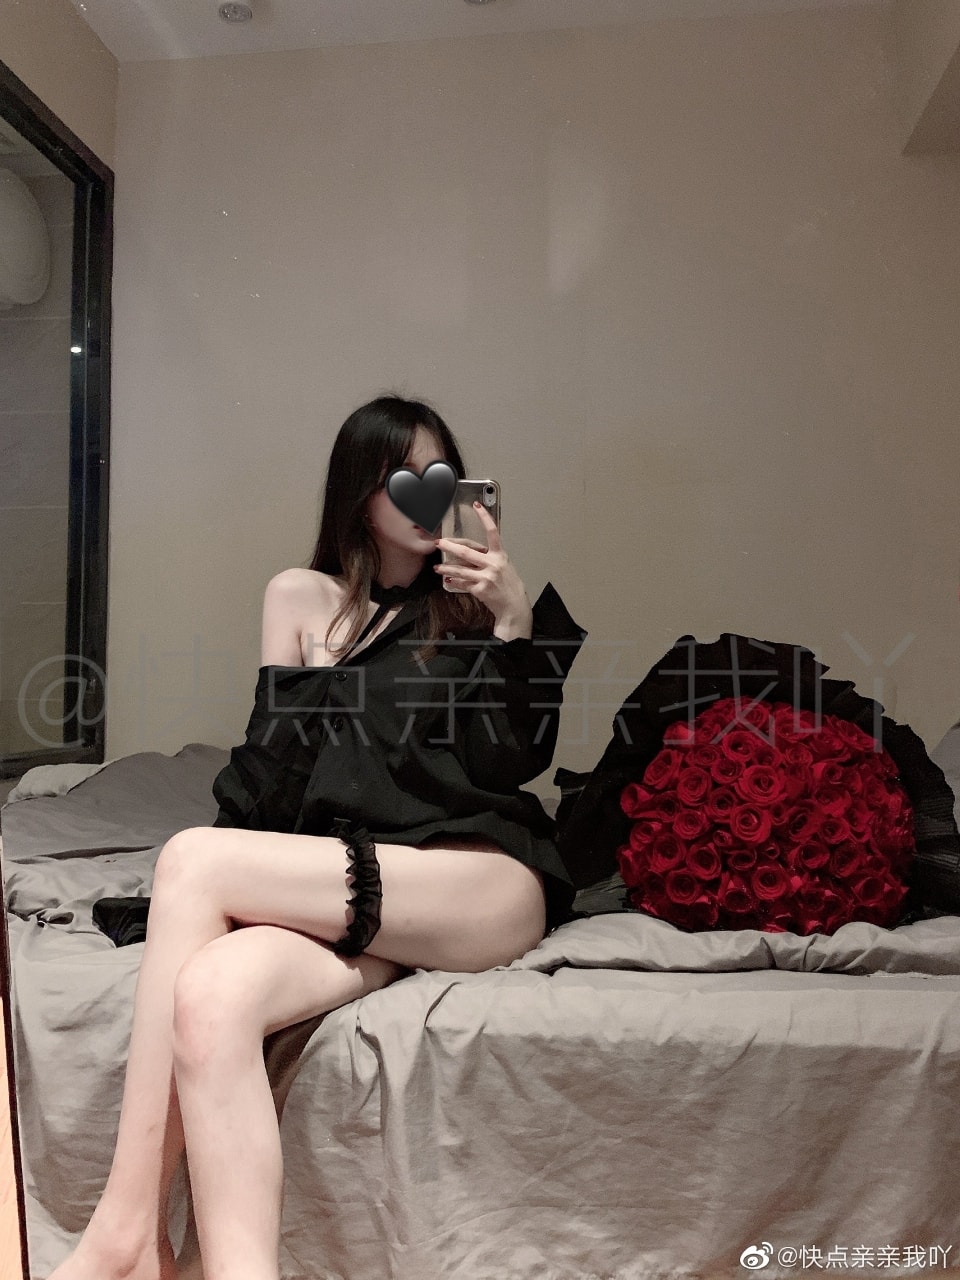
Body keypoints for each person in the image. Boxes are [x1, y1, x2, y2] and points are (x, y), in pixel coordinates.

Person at [47, 394, 587, 1280]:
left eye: (439, 475)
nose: (426, 493)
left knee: (192, 860)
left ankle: (126, 1233)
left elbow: (509, 761)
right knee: (211, 994)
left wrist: (513, 624)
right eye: (402, 477)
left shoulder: (472, 612)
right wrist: (317, 674)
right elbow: (270, 782)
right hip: (355, 890)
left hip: (475, 881)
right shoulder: (300, 598)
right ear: (360, 495)